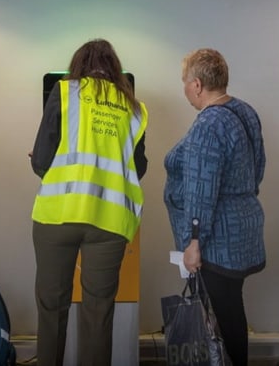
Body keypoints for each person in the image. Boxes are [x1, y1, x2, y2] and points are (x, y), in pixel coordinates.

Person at [30, 38, 148, 366]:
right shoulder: (135, 109)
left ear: (79, 64)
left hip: (58, 217)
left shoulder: (65, 92)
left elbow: (41, 160)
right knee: (99, 311)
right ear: (113, 68)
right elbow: (139, 168)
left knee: (52, 307)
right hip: (110, 222)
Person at [163, 48, 266, 366]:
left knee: (222, 318)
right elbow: (258, 167)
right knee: (231, 310)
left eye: (184, 83)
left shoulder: (207, 124)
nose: (185, 90)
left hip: (216, 241)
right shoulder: (244, 111)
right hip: (243, 229)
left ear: (196, 84)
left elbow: (200, 190)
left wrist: (194, 242)